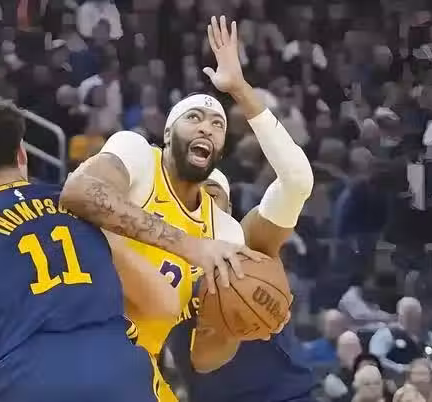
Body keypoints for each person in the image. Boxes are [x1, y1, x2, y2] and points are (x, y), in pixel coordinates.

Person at [61, 15, 311, 402]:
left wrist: (241, 325)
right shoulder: (138, 156)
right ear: (167, 133)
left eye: (217, 124)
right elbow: (78, 192)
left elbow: (203, 358)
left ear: (221, 151)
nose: (206, 127)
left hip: (135, 365)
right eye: (193, 118)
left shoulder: (224, 233)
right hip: (73, 337)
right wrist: (189, 245)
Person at [0, 97, 171, 402]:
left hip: (26, 380)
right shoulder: (80, 204)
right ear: (21, 152)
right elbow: (164, 302)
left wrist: (19, 337)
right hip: (116, 370)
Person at [165, 165, 315, 402]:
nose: (202, 203)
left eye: (212, 194)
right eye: (190, 196)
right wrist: (231, 324)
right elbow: (201, 362)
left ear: (229, 209)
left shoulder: (247, 245)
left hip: (283, 393)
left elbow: (285, 198)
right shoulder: (157, 260)